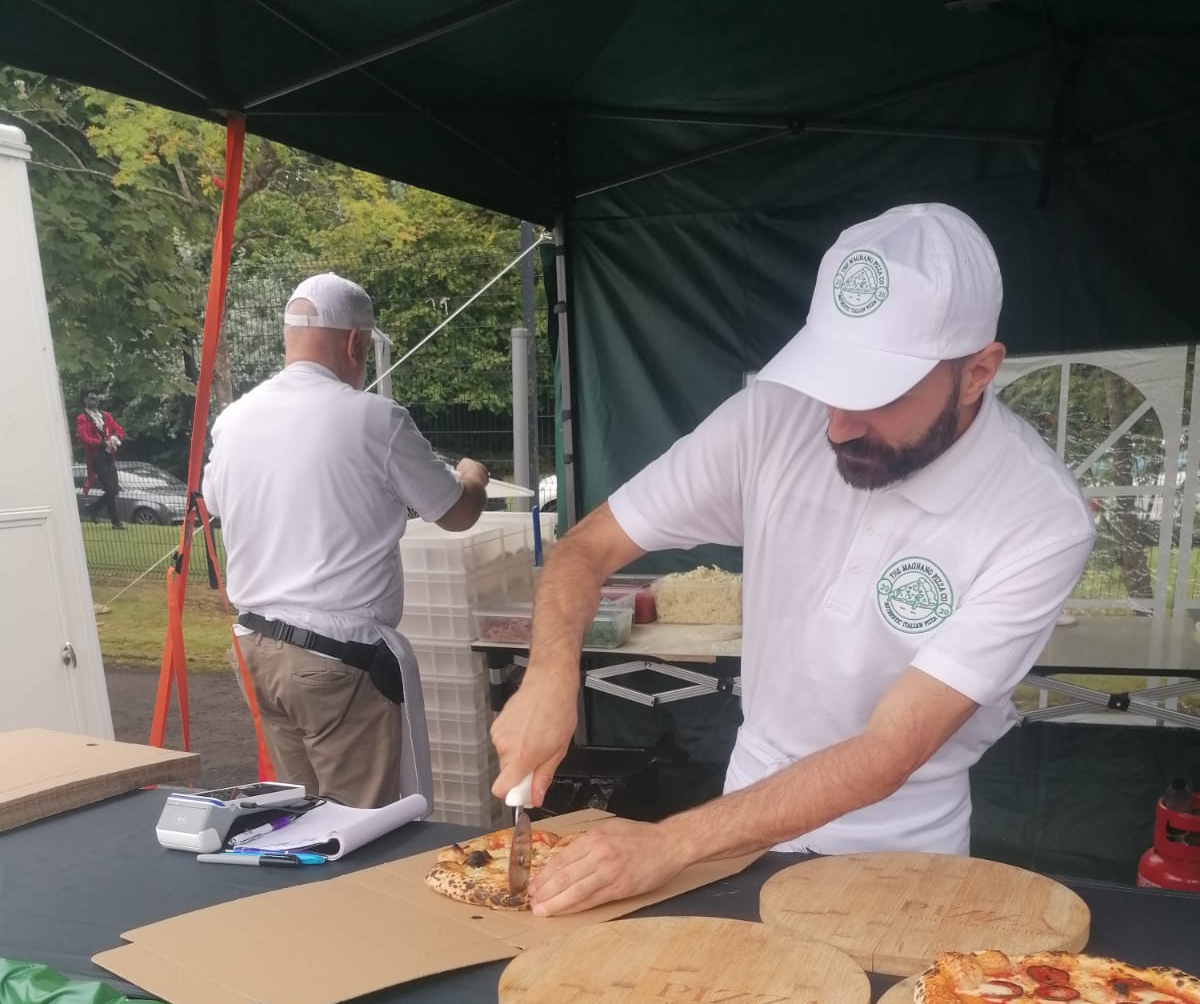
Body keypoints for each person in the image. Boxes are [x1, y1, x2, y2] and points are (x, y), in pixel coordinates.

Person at [492, 203, 1095, 916]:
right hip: (740, 817)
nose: (836, 427)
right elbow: (586, 546)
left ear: (977, 373)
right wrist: (550, 673)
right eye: (831, 383)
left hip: (899, 848)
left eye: (876, 395)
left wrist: (669, 843)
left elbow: (886, 752)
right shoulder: (775, 415)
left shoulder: (1038, 517)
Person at [201, 272, 488, 808]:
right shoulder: (374, 419)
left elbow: (212, 502)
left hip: (257, 651)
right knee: (361, 828)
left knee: (297, 816)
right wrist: (474, 476)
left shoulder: (235, 419)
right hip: (335, 660)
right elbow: (456, 513)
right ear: (355, 342)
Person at [75, 390, 125, 529]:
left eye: (96, 399)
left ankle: (111, 520)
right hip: (96, 457)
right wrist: (103, 443)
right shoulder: (82, 418)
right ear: (84, 400)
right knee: (111, 489)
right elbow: (84, 438)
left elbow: (119, 430)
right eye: (91, 399)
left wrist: (115, 438)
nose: (95, 402)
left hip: (109, 455)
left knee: (114, 489)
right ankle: (96, 510)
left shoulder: (105, 415)